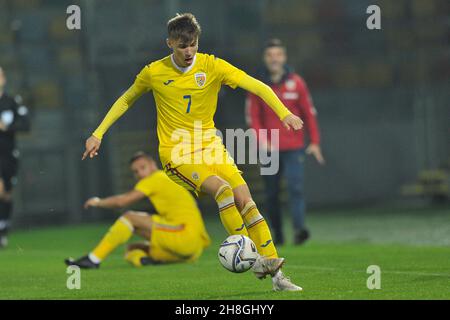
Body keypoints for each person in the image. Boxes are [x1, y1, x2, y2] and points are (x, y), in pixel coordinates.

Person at [82, 13, 303, 291]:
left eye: (193, 44)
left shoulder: (212, 66)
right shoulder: (154, 72)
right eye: (181, 46)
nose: (188, 51)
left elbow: (256, 85)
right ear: (169, 44)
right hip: (177, 154)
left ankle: (278, 278)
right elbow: (126, 99)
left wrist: (284, 113)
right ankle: (254, 257)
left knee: (247, 203)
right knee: (223, 191)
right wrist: (98, 133)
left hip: (211, 148)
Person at [65, 151, 211, 268]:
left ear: (153, 164)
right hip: (192, 248)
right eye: (135, 171)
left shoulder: (155, 178)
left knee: (129, 217)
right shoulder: (166, 177)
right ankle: (144, 260)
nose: (140, 173)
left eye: (143, 167)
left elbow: (122, 202)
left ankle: (93, 259)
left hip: (183, 235)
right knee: (132, 248)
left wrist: (98, 202)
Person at [247, 39, 324, 246]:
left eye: (278, 54)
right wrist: (263, 141)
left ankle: (299, 231)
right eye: (270, 55)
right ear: (265, 59)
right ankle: (278, 234)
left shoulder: (297, 82)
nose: (274, 59)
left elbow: (309, 113)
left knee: (295, 188)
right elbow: (253, 117)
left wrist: (314, 142)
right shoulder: (258, 85)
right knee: (271, 194)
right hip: (269, 150)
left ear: (284, 57)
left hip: (294, 147)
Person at [0, 66, 30, 248]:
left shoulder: (12, 101)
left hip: (9, 154)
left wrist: (7, 127)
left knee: (7, 195)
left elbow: (26, 124)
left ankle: (3, 228)